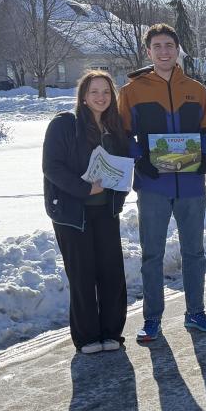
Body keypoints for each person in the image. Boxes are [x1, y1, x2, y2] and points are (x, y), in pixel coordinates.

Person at [118, 23, 206, 343]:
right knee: (152, 254)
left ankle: (196, 312)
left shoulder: (196, 89)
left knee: (195, 253)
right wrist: (140, 159)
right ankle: (152, 319)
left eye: (169, 46)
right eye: (157, 46)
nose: (164, 51)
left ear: (177, 50)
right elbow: (122, 135)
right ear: (148, 51)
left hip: (191, 185)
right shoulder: (132, 91)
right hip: (153, 186)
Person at [42, 71, 130, 354]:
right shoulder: (64, 125)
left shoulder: (114, 127)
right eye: (94, 92)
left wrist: (121, 188)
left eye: (106, 92)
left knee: (111, 272)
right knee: (82, 275)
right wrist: (84, 188)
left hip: (106, 211)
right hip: (72, 214)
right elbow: (52, 167)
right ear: (83, 96)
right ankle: (87, 337)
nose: (101, 97)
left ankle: (111, 333)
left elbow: (123, 164)